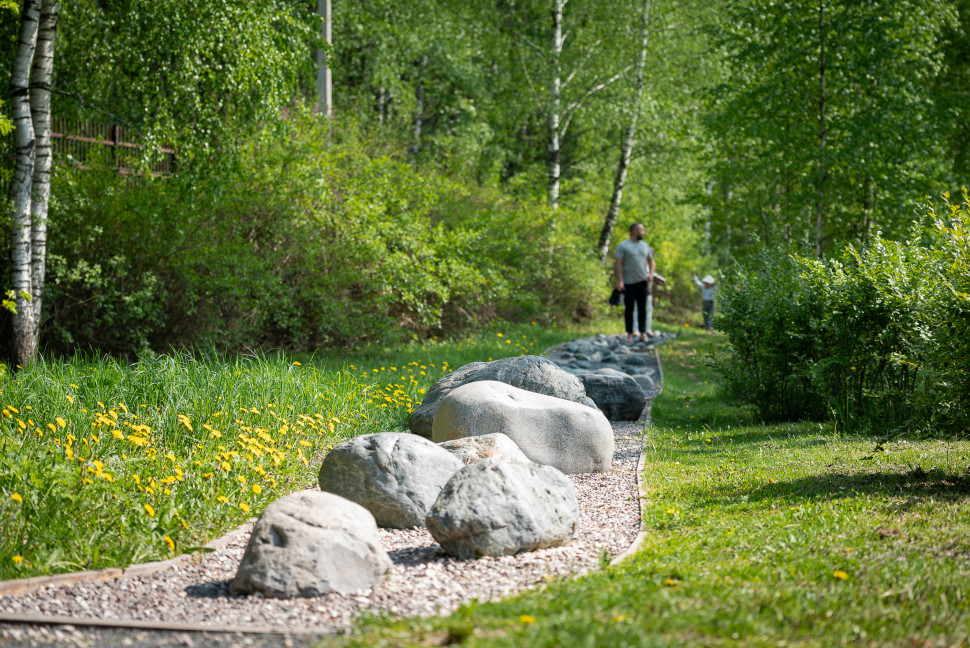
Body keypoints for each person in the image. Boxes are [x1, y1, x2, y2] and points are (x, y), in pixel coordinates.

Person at [614, 223, 655, 343]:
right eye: (641, 230)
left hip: (643, 282)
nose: (644, 232)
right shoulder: (623, 246)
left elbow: (651, 262)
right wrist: (620, 280)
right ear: (634, 231)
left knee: (643, 309)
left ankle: (643, 333)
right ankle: (630, 334)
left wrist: (651, 275)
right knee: (629, 309)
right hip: (628, 283)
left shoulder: (645, 246)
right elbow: (618, 264)